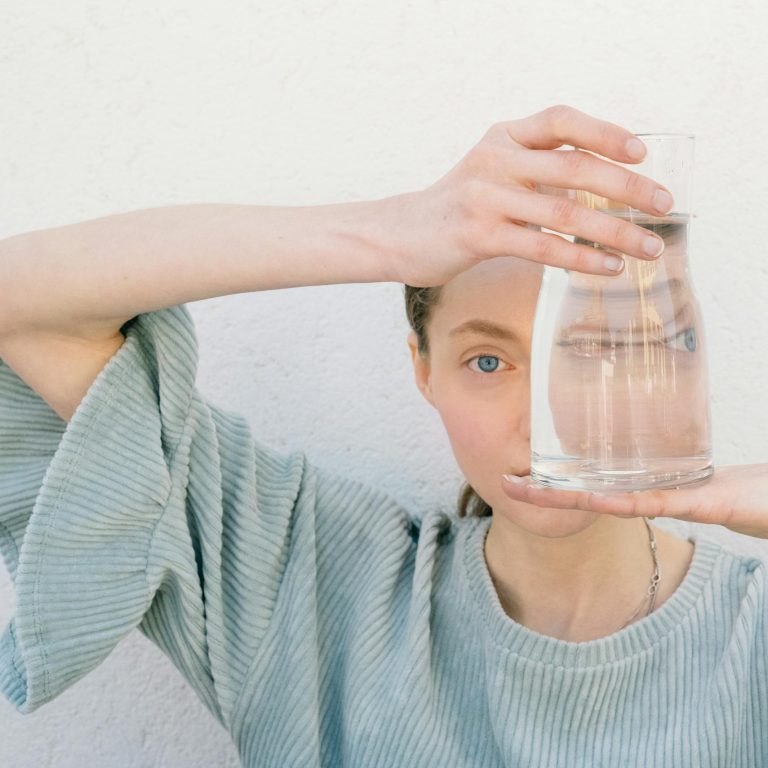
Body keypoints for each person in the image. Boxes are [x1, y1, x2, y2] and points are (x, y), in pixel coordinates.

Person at [0, 104, 766, 766]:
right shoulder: (304, 581)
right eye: (489, 359)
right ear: (423, 369)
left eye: (588, 348)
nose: (543, 418)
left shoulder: (751, 632)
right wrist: (388, 234)